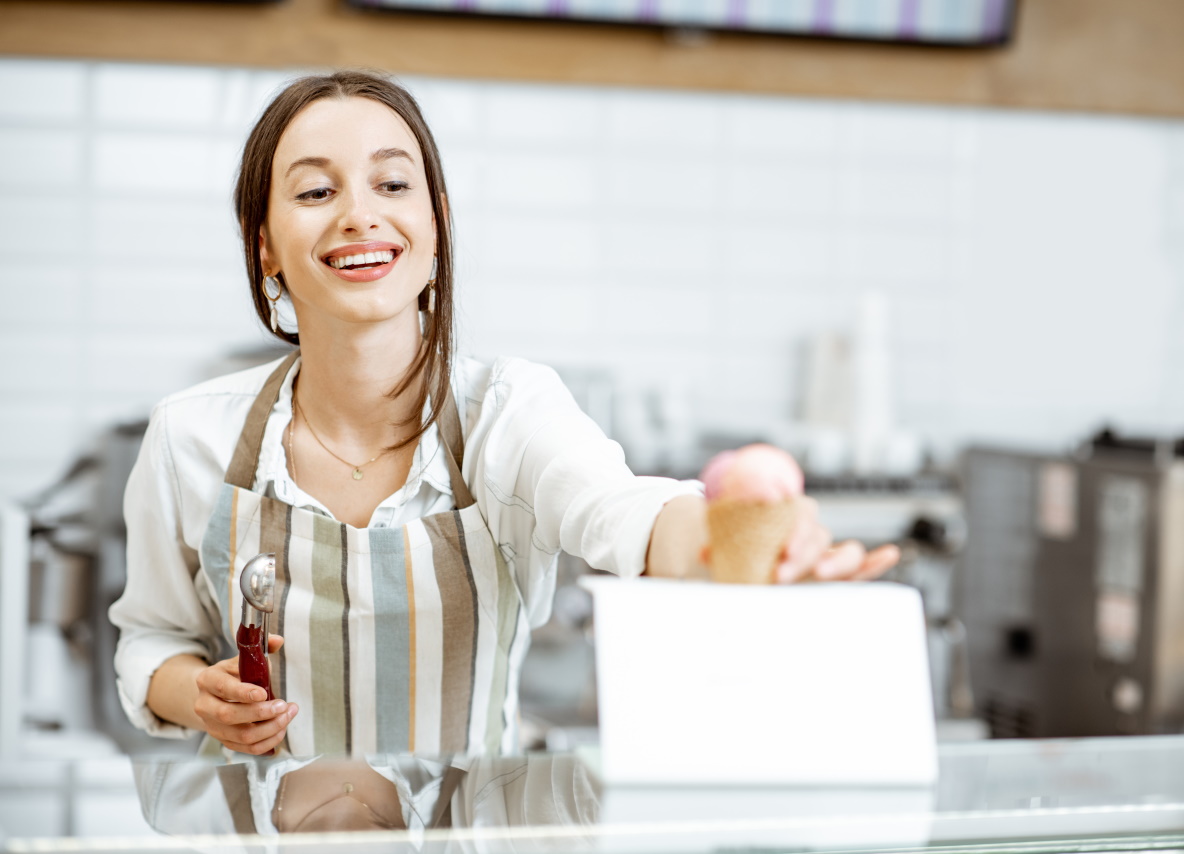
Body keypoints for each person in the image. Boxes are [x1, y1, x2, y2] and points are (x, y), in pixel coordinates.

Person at [108, 70, 901, 758]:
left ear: (438, 224)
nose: (359, 215)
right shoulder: (191, 436)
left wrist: (745, 538)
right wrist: (195, 695)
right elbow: (151, 639)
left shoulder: (508, 411)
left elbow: (625, 512)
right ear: (265, 248)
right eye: (316, 191)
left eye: (392, 185)